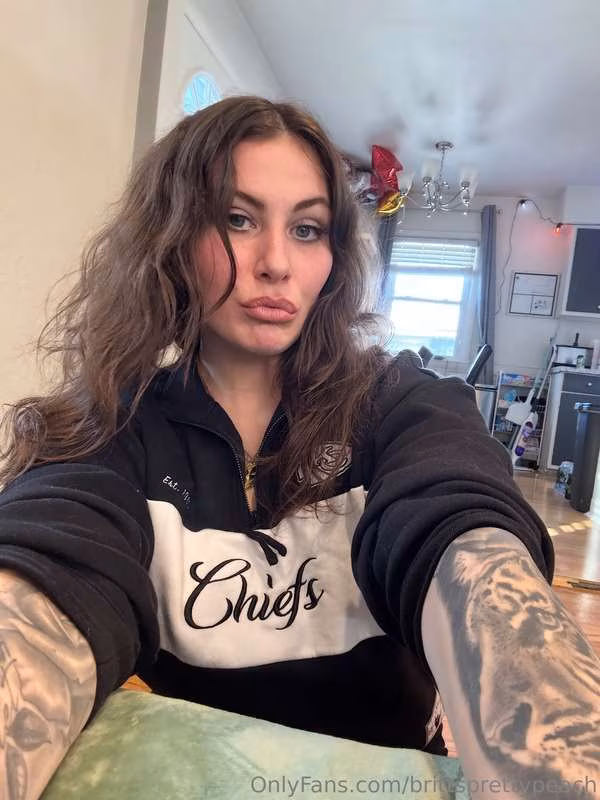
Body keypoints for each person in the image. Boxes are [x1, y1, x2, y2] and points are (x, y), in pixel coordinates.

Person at [0, 95, 598, 800]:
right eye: (237, 219)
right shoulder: (113, 430)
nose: (277, 263)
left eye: (307, 229)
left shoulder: (401, 405)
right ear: (172, 235)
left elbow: (465, 541)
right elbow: (51, 561)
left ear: (333, 257)